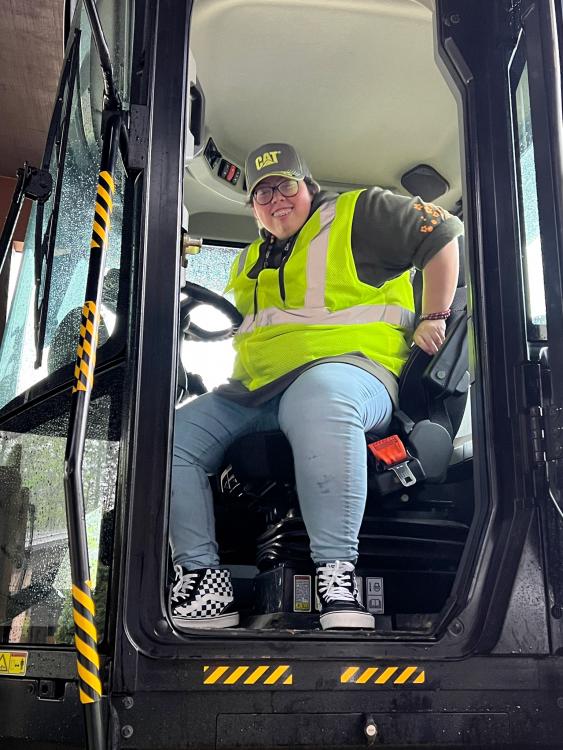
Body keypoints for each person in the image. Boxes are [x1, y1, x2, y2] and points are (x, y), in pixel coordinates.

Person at [169, 142, 463, 631]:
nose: (275, 199)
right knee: (173, 434)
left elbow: (442, 231)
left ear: (307, 186)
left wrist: (435, 315)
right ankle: (202, 578)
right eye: (262, 193)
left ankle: (336, 577)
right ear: (253, 208)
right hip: (256, 391)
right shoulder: (246, 262)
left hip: (352, 372)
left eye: (284, 185)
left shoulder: (358, 213)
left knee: (318, 399)